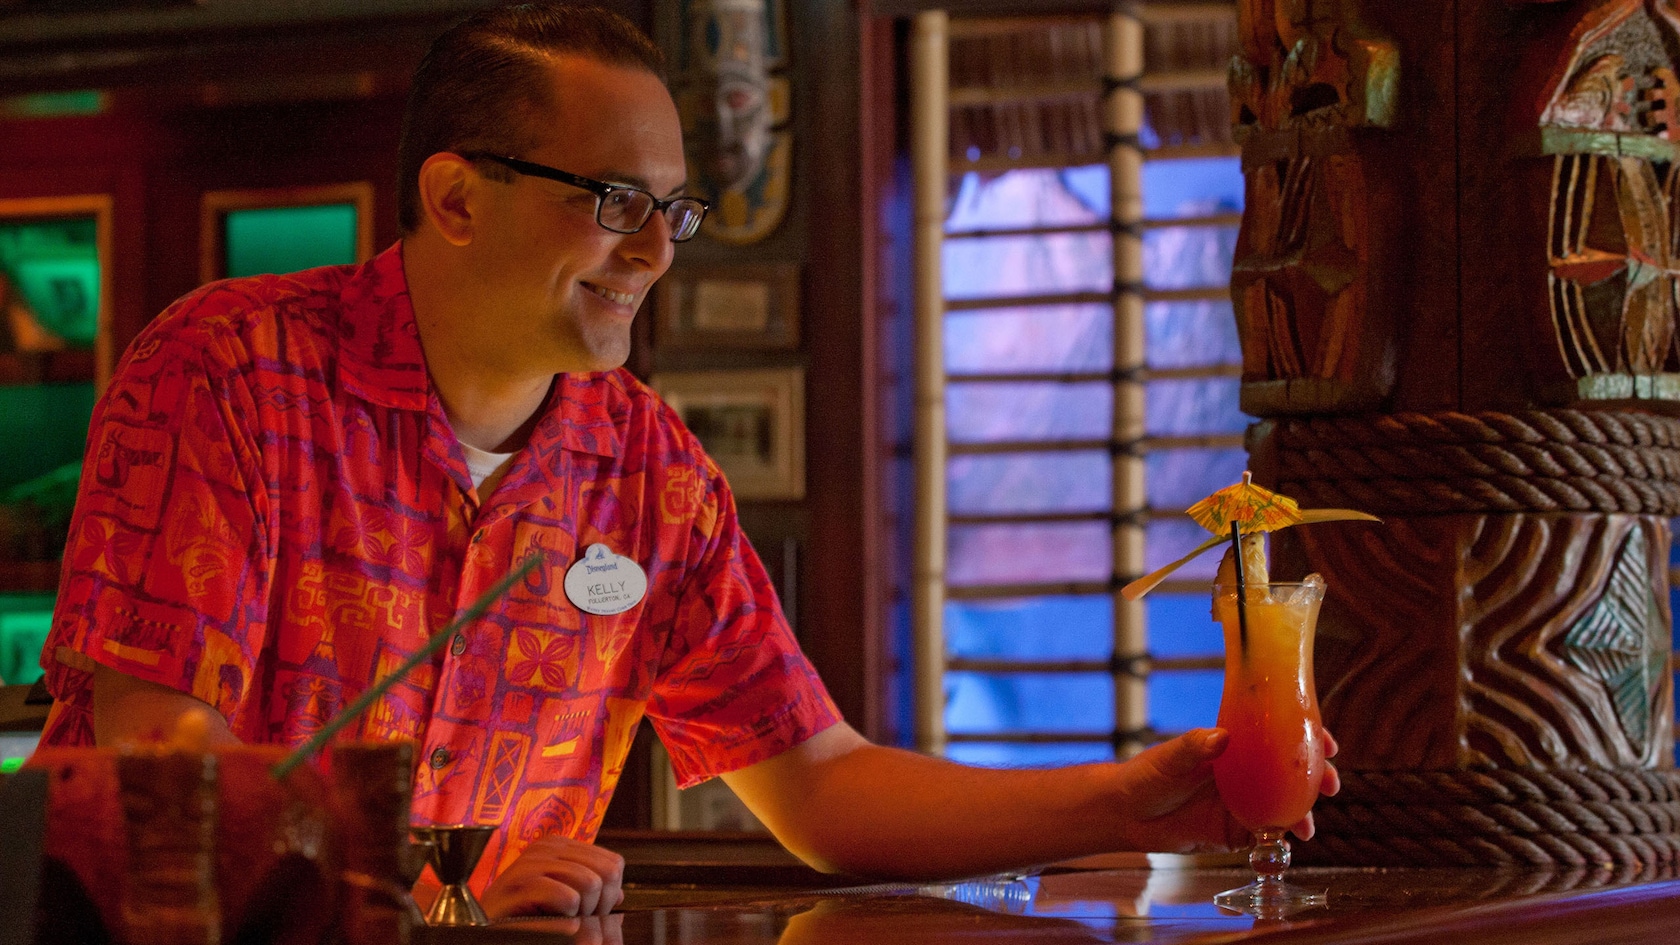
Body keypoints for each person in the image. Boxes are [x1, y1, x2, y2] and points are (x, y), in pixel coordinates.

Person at [34, 0, 1338, 923]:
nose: (657, 251)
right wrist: (443, 889)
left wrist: (1124, 802)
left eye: (674, 208)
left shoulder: (642, 470)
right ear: (455, 198)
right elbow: (163, 761)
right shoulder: (229, 372)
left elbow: (819, 783)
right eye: (611, 202)